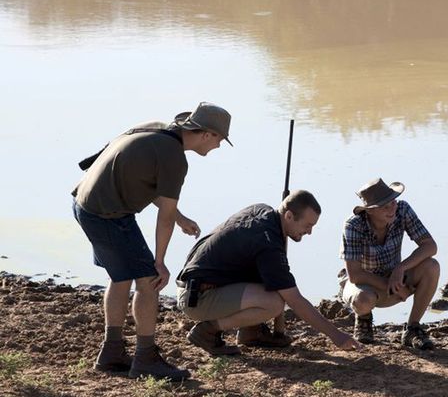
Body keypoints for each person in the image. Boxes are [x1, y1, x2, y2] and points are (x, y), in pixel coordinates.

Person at [72, 102, 233, 381]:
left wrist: (181, 218)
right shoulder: (174, 158)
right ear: (206, 134)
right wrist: (159, 263)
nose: (218, 146)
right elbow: (165, 218)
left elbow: (147, 184)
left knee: (121, 278)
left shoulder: (156, 130)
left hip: (86, 204)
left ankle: (111, 353)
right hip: (108, 214)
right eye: (219, 138)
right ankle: (145, 358)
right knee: (149, 282)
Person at [176, 190, 361, 355]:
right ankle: (207, 331)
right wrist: (336, 335)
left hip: (198, 285)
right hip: (198, 298)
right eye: (307, 225)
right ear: (289, 215)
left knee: (270, 281)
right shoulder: (268, 243)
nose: (310, 232)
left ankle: (251, 332)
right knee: (274, 303)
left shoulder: (262, 211)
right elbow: (295, 300)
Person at [339, 178, 440, 349]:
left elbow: (430, 246)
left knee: (432, 266)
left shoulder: (402, 209)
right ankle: (363, 319)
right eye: (384, 206)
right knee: (362, 300)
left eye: (392, 202)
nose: (392, 208)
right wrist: (391, 285)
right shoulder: (353, 225)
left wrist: (400, 269)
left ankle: (413, 328)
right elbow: (355, 274)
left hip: (395, 275)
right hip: (364, 284)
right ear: (369, 211)